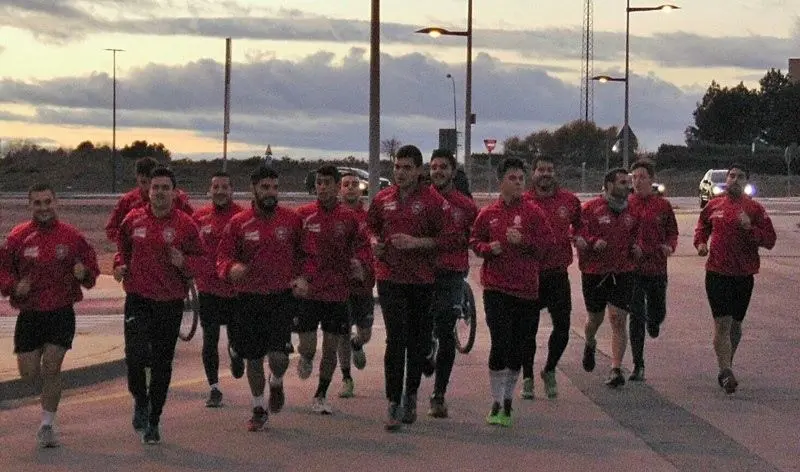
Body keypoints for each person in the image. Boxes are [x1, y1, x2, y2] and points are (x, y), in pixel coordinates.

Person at [0, 183, 100, 448]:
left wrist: (84, 273)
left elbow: (91, 269)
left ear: (56, 203)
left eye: (47, 202)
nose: (43, 207)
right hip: (30, 314)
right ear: (30, 205)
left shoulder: (72, 236)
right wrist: (13, 286)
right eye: (37, 203)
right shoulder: (18, 237)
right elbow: (3, 270)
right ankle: (45, 397)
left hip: (61, 312)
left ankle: (47, 425)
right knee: (29, 373)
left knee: (52, 367)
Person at [366, 144, 457, 430]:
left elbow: (448, 240)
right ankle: (393, 401)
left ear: (419, 171)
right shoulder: (382, 199)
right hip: (390, 277)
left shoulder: (433, 201)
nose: (401, 172)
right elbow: (370, 228)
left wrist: (417, 243)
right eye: (397, 167)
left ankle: (411, 393)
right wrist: (374, 243)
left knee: (417, 342)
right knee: (396, 340)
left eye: (407, 168)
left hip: (422, 280)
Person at [113, 166, 205, 445]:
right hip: (138, 299)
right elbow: (122, 250)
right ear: (148, 191)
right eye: (156, 188)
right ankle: (140, 401)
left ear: (175, 193)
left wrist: (184, 262)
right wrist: (119, 265)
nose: (160, 192)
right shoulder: (133, 219)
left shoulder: (186, 225)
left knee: (162, 362)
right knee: (135, 356)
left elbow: (201, 261)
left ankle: (154, 420)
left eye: (166, 188)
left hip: (169, 302)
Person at [216, 166, 302, 431]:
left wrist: (304, 278)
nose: (271, 193)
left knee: (278, 357)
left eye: (275, 187)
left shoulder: (291, 220)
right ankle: (258, 407)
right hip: (248, 299)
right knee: (253, 358)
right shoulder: (238, 223)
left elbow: (305, 255)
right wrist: (231, 268)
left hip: (280, 298)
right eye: (265, 187)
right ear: (253, 188)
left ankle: (276, 382)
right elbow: (223, 257)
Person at [470, 157, 553, 427]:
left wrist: (524, 241)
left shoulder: (533, 213)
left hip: (526, 290)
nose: (518, 183)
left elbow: (546, 246)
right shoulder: (488, 213)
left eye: (521, 178)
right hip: (496, 288)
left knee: (519, 346)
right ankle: (496, 399)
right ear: (501, 181)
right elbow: (475, 240)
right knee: (500, 343)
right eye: (512, 178)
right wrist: (486, 248)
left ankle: (508, 400)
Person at [294, 165, 370, 414]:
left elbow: (362, 246)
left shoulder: (349, 218)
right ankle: (306, 357)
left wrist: (359, 264)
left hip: (337, 292)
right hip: (310, 291)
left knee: (330, 347)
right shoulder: (303, 215)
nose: (323, 187)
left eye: (327, 182)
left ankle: (321, 394)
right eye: (319, 182)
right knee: (308, 346)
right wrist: (296, 278)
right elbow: (291, 250)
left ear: (337, 186)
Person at [693, 164, 775, 394]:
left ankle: (727, 362)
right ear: (727, 179)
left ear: (746, 181)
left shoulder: (755, 209)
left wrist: (750, 229)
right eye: (732, 176)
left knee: (736, 325)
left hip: (744, 274)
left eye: (740, 177)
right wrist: (701, 243)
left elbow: (770, 240)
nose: (735, 180)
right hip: (717, 273)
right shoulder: (714, 205)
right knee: (722, 323)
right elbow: (702, 226)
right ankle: (725, 371)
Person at [520, 157, 582, 399]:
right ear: (533, 173)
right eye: (541, 170)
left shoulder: (569, 201)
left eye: (550, 169)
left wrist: (580, 236)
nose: (545, 174)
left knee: (563, 327)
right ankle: (527, 377)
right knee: (528, 330)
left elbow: (581, 224)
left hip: (557, 273)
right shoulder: (524, 201)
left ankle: (549, 369)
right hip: (530, 275)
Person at [576, 168, 641, 388]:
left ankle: (616, 368)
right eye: (623, 182)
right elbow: (577, 233)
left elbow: (638, 236)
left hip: (622, 272)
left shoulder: (632, 211)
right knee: (595, 319)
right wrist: (592, 241)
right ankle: (590, 341)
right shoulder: (590, 209)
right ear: (609, 185)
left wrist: (637, 247)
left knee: (618, 319)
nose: (628, 187)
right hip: (595, 273)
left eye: (628, 182)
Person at [427, 149, 478, 418]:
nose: (438, 171)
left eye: (443, 167)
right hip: (422, 274)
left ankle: (439, 394)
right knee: (421, 331)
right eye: (434, 167)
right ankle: (426, 351)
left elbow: (478, 235)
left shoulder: (465, 206)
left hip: (451, 274)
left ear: (453, 171)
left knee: (446, 330)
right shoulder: (421, 201)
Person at [192, 171, 245, 407]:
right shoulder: (199, 217)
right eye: (216, 187)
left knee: (238, 338)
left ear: (232, 190)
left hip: (235, 291)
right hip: (208, 289)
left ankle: (237, 354)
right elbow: (189, 247)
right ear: (210, 190)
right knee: (210, 339)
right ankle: (214, 388)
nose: (220, 191)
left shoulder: (242, 216)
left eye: (225, 187)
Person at [627, 160, 678, 382]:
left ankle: (654, 321)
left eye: (642, 177)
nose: (637, 181)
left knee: (657, 311)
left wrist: (669, 246)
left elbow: (672, 232)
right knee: (636, 315)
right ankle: (638, 364)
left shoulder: (662, 206)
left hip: (656, 267)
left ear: (651, 180)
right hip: (633, 269)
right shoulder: (626, 204)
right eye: (634, 177)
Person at [335, 171, 376, 399]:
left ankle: (357, 344)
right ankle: (346, 378)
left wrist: (364, 266)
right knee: (342, 332)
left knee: (365, 333)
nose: (350, 187)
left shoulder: (368, 218)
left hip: (363, 285)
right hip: (340, 286)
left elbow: (374, 245)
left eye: (354, 184)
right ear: (340, 189)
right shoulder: (335, 217)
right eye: (346, 184)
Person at [105, 156, 194, 243]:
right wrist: (130, 242)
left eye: (151, 182)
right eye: (143, 182)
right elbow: (112, 228)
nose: (148, 187)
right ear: (137, 178)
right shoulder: (128, 201)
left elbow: (193, 224)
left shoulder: (176, 198)